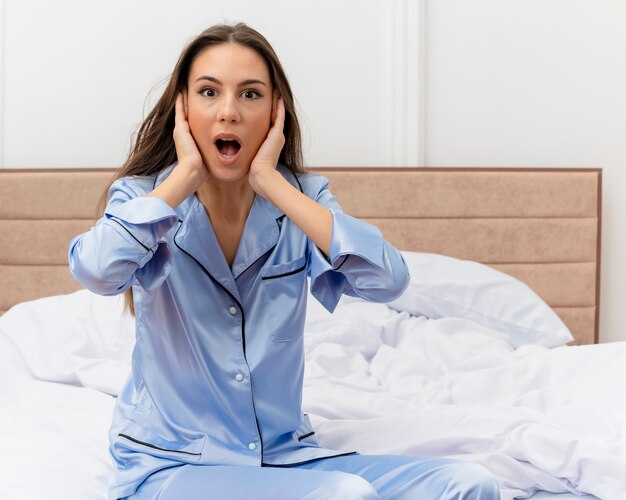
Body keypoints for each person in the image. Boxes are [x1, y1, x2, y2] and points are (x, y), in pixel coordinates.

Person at [68, 22, 500, 500]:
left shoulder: (303, 200)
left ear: (276, 112)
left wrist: (271, 183)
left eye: (250, 94)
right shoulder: (145, 197)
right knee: (346, 495)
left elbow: (388, 280)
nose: (228, 111)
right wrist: (185, 175)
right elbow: (97, 270)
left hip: (285, 457)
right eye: (209, 92)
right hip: (173, 466)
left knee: (469, 485)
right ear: (183, 109)